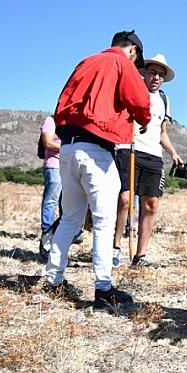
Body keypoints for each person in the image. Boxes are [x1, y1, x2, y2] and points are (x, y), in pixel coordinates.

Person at [42, 30, 151, 311]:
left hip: (67, 148)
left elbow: (61, 103)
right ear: (132, 51)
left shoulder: (86, 61)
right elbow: (140, 100)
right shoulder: (122, 63)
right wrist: (143, 119)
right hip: (95, 150)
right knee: (104, 220)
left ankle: (52, 279)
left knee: (70, 219)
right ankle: (103, 289)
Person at [112, 53, 183, 268]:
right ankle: (114, 247)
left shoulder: (164, 99)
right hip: (128, 149)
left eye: (161, 75)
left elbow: (162, 133)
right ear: (144, 73)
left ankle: (140, 255)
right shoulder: (131, 90)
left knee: (151, 204)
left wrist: (173, 153)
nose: (157, 78)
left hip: (153, 155)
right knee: (124, 200)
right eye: (153, 72)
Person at [38, 115, 61, 261]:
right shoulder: (50, 121)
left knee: (68, 205)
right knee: (51, 201)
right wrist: (68, 147)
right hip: (54, 166)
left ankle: (58, 237)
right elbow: (48, 142)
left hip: (70, 166)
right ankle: (46, 235)